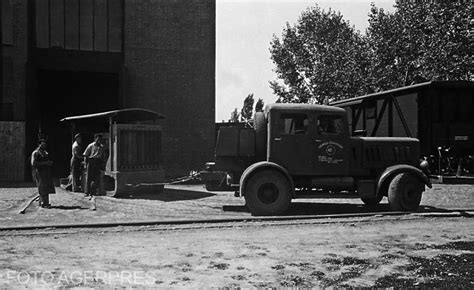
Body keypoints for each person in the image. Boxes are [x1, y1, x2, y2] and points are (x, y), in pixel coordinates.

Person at [31, 138, 55, 208]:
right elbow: (33, 163)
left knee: (46, 187)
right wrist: (45, 163)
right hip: (39, 172)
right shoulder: (35, 153)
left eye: (45, 144)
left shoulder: (45, 152)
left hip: (46, 172)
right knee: (41, 187)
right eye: (42, 144)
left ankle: (46, 202)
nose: (44, 145)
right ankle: (43, 202)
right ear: (39, 144)